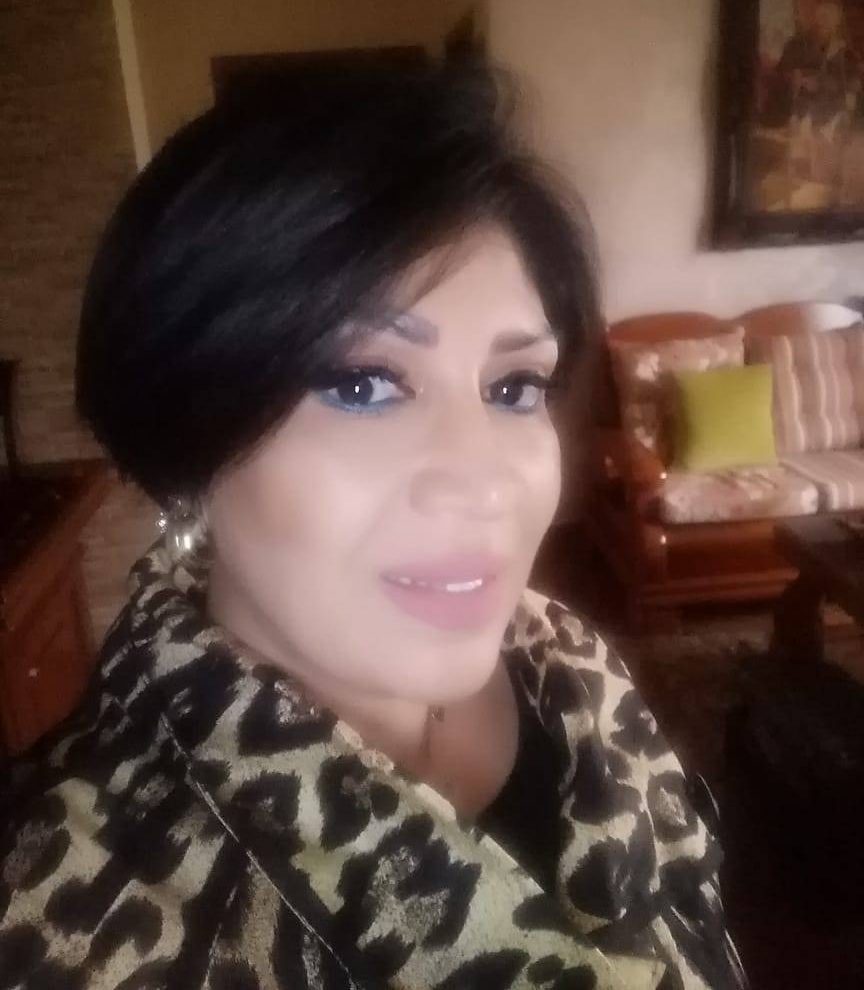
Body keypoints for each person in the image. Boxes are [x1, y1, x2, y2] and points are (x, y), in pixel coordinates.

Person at [0, 63, 745, 989]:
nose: (484, 480)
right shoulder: (58, 913)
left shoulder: (573, 668)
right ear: (190, 444)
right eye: (362, 385)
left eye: (514, 387)